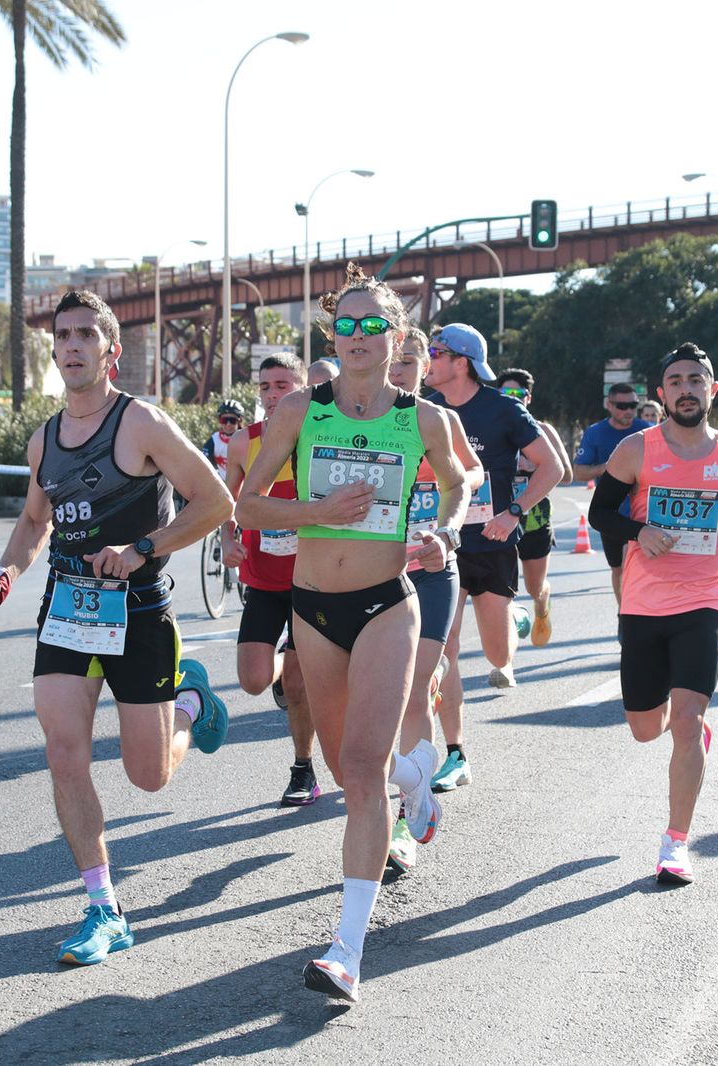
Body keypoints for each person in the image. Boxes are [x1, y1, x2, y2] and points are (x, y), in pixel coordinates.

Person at [0, 290, 233, 966]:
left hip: (139, 610)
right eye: (64, 335)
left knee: (148, 778)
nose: (73, 345)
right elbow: (33, 522)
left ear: (111, 351)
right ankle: (102, 907)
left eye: (87, 334)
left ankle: (189, 706)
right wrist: (1, 578)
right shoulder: (43, 440)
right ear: (55, 350)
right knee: (63, 750)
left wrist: (142, 548)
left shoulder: (141, 423)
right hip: (70, 609)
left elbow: (216, 501)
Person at [235, 264, 469, 1002]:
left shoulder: (422, 418)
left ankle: (347, 950)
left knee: (360, 775)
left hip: (384, 603)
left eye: (375, 325)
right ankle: (416, 780)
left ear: (396, 337)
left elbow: (460, 481)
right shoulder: (301, 411)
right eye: (348, 324)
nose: (360, 335)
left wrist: (446, 534)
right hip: (312, 609)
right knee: (350, 772)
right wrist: (317, 512)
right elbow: (246, 508)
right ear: (332, 333)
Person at [586, 342, 718, 885]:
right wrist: (640, 531)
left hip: (704, 601)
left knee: (686, 719)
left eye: (695, 380)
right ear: (662, 393)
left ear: (711, 389)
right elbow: (599, 512)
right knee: (644, 729)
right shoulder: (636, 450)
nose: (685, 388)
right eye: (675, 380)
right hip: (642, 602)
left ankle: (675, 844)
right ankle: (688, 733)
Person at [426, 323, 561, 796]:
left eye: (435, 352)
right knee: (444, 645)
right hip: (442, 545)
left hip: (494, 541)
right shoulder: (426, 410)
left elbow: (553, 467)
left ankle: (517, 617)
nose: (428, 359)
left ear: (460, 362)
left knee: (498, 656)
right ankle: (456, 752)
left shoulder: (504, 410)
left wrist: (514, 513)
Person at [386, 326, 484, 874]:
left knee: (414, 687)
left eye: (409, 360)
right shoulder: (360, 424)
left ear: (426, 366)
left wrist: (454, 495)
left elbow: (472, 469)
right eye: (393, 359)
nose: (397, 369)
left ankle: (402, 820)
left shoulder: (439, 420)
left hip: (432, 566)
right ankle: (415, 786)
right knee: (374, 700)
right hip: (374, 572)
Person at [222, 353, 321, 806]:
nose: (272, 394)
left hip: (311, 581)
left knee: (300, 686)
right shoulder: (244, 443)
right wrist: (227, 541)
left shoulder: (320, 434)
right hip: (262, 579)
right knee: (253, 681)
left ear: (302, 387)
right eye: (265, 387)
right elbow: (226, 502)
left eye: (283, 385)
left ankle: (303, 768)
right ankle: (282, 665)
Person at [497, 367, 573, 646]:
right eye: (506, 393)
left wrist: (537, 465)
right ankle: (504, 658)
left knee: (534, 587)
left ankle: (542, 606)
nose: (513, 398)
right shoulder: (491, 428)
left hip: (535, 521)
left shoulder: (542, 430)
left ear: (529, 397)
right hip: (498, 519)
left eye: (519, 393)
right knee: (501, 591)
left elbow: (566, 476)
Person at [573, 383, 654, 602]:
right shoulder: (595, 433)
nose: (628, 411)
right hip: (611, 514)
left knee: (633, 564)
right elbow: (579, 472)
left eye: (633, 405)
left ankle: (639, 610)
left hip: (642, 514)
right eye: (622, 406)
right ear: (609, 405)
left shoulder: (646, 430)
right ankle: (624, 612)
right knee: (618, 568)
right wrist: (609, 468)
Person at [202, 400, 244, 478]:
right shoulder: (214, 439)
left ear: (239, 421)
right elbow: (203, 462)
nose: (228, 424)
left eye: (232, 421)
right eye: (224, 420)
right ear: (219, 421)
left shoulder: (247, 439)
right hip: (221, 485)